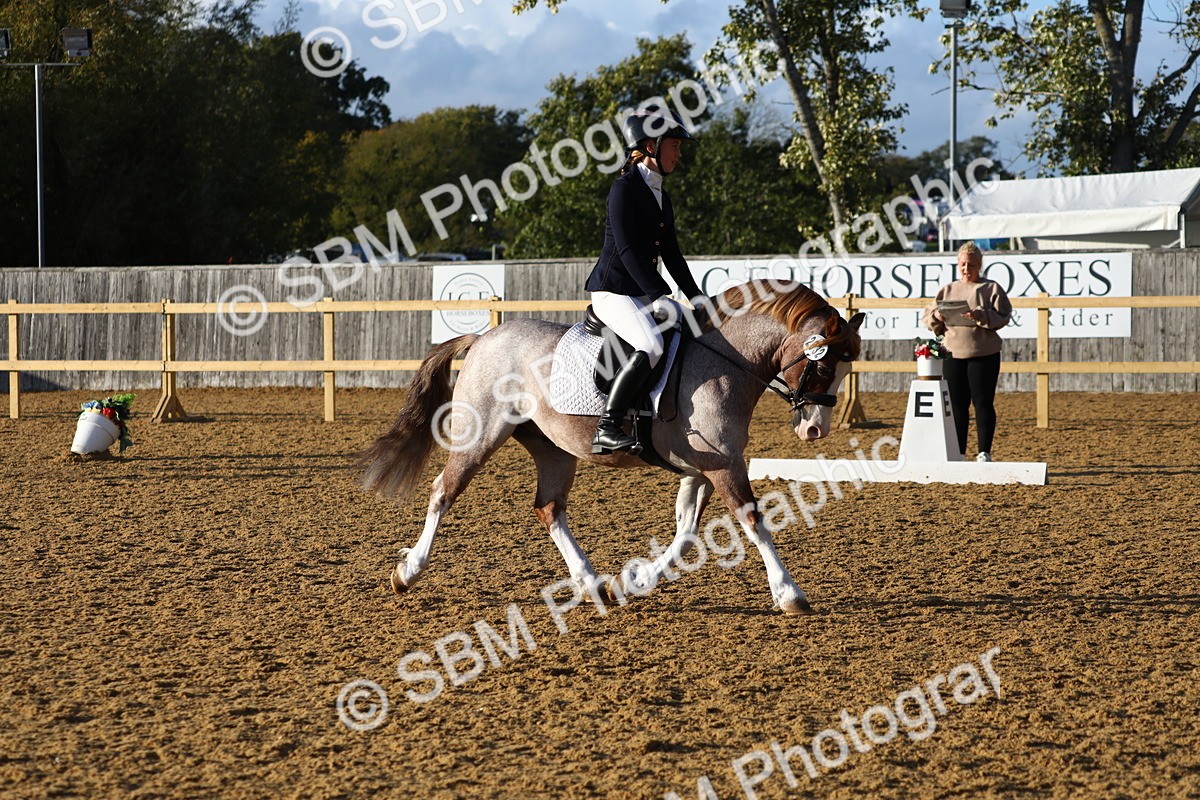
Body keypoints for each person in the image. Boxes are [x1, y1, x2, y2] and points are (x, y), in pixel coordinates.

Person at [584, 108, 703, 454]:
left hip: (640, 293)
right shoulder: (623, 189)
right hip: (612, 291)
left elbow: (673, 255)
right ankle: (607, 427)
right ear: (651, 146)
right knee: (650, 345)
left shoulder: (661, 196)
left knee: (692, 330)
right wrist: (658, 295)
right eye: (674, 146)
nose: (679, 154)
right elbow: (626, 250)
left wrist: (697, 298)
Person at [922, 241, 1013, 462]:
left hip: (984, 354)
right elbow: (927, 318)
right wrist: (937, 316)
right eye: (962, 264)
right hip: (953, 354)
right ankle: (958, 453)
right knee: (956, 406)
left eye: (971, 264)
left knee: (983, 403)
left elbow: (1003, 316)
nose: (966, 268)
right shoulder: (948, 290)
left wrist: (981, 315)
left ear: (979, 265)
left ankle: (984, 452)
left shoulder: (991, 288)